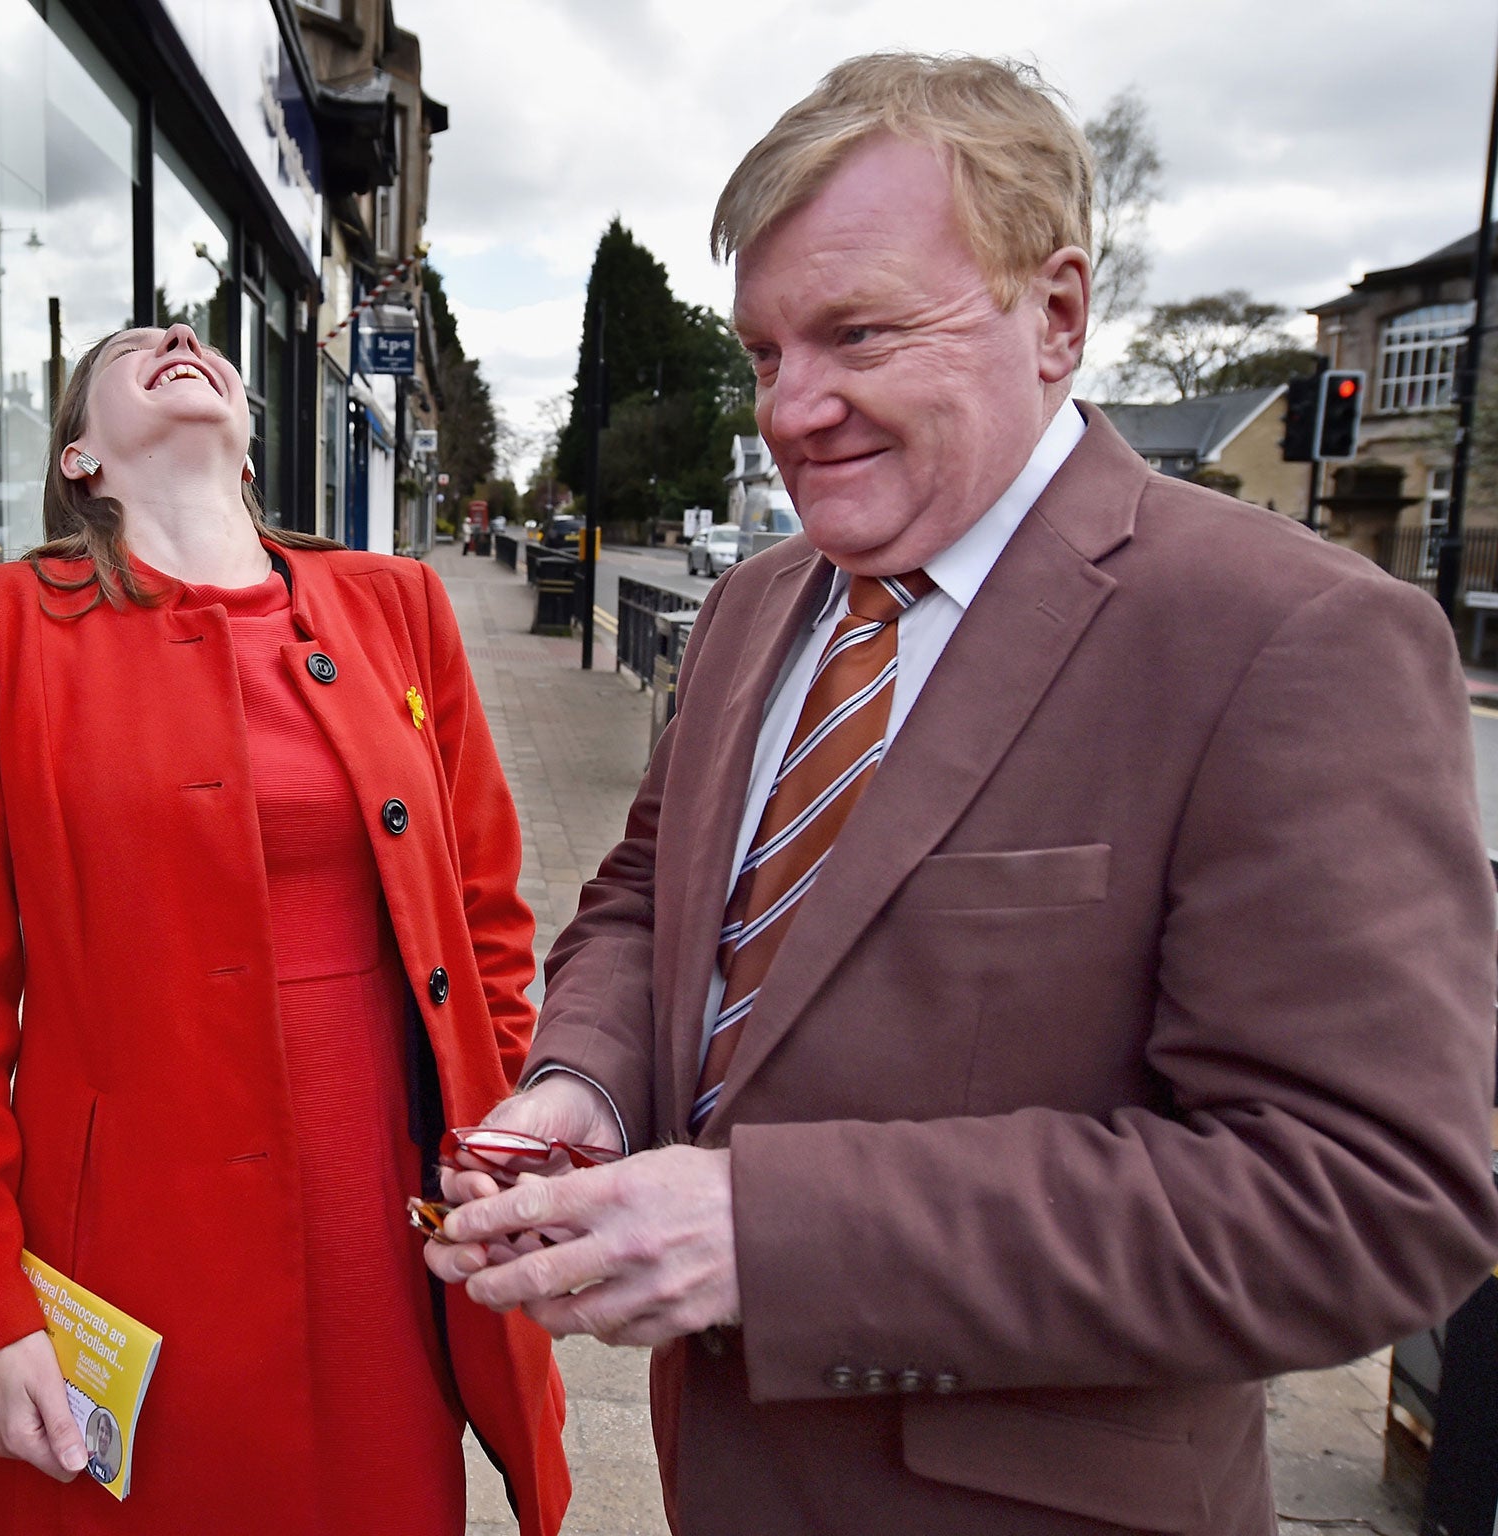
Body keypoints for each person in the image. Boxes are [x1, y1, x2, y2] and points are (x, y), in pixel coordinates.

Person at [425, 53, 1498, 1536]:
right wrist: (585, 1088)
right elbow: (648, 895)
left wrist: (765, 1234)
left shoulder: (1292, 636)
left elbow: (1363, 1202)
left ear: (1055, 314)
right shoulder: (754, 608)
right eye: (766, 353)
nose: (794, 412)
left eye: (857, 332)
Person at [0, 322, 569, 1536]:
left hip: (388, 1213)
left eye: (197, 343)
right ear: (80, 456)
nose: (178, 337)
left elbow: (485, 918)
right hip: (136, 1240)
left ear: (249, 448)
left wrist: (504, 1130)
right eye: (130, 347)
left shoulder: (395, 605)